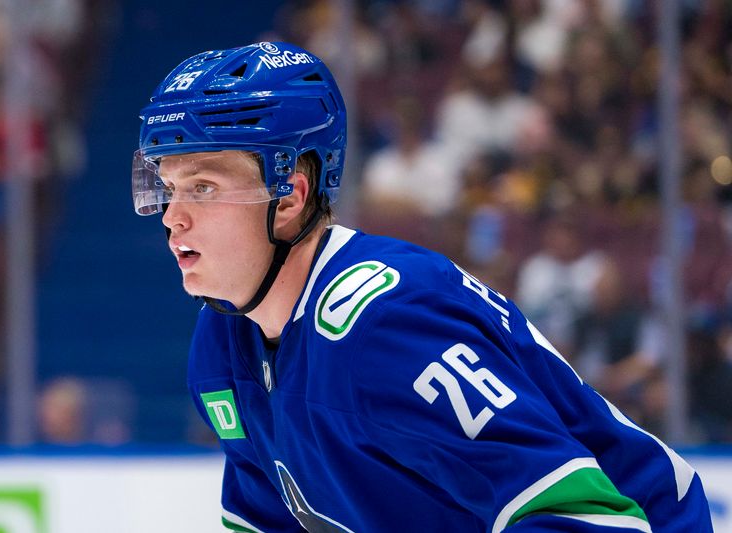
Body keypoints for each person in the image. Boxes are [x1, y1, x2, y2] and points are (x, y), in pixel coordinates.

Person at [131, 42, 711, 532]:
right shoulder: (224, 340)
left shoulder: (389, 325)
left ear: (290, 196)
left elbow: (587, 519)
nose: (171, 217)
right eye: (169, 186)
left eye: (203, 187)